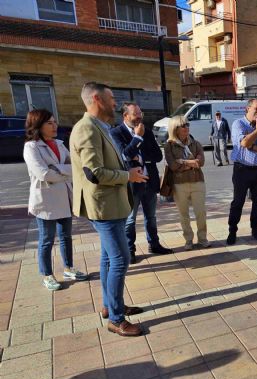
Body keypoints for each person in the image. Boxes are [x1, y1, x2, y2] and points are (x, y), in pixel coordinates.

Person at [70, 82, 146, 336]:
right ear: (96, 98)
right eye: (111, 98)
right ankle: (115, 318)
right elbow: (95, 173)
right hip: (104, 205)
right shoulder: (86, 129)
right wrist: (128, 176)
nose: (115, 103)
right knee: (120, 260)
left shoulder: (99, 127)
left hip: (110, 203)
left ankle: (109, 304)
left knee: (107, 258)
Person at [23, 109, 88, 291]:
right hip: (46, 201)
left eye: (54, 122)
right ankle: (47, 275)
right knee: (47, 239)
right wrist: (66, 172)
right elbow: (43, 174)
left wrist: (59, 169)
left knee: (66, 236)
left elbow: (76, 166)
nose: (55, 126)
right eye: (49, 123)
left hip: (65, 197)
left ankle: (68, 268)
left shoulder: (59, 144)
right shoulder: (31, 147)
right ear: (38, 126)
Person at [111, 102, 172, 264]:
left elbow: (157, 156)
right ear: (125, 116)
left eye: (140, 113)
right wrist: (137, 138)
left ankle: (154, 244)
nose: (139, 117)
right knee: (130, 219)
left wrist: (138, 155)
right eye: (135, 114)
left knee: (150, 217)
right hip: (131, 184)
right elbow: (124, 155)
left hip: (149, 181)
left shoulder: (148, 131)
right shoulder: (116, 133)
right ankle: (129, 250)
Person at [227, 98, 257, 245]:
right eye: (256, 109)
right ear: (247, 109)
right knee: (238, 201)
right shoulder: (238, 124)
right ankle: (232, 229)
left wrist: (251, 145)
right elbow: (243, 143)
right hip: (242, 169)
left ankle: (255, 227)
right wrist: (256, 133)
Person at [164, 115, 207, 250]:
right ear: (175, 128)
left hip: (197, 181)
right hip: (179, 184)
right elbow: (173, 166)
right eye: (183, 126)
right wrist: (190, 163)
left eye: (187, 125)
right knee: (183, 214)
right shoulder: (169, 146)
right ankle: (188, 240)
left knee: (200, 212)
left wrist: (182, 161)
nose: (187, 128)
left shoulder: (196, 143)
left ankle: (202, 238)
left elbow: (201, 162)